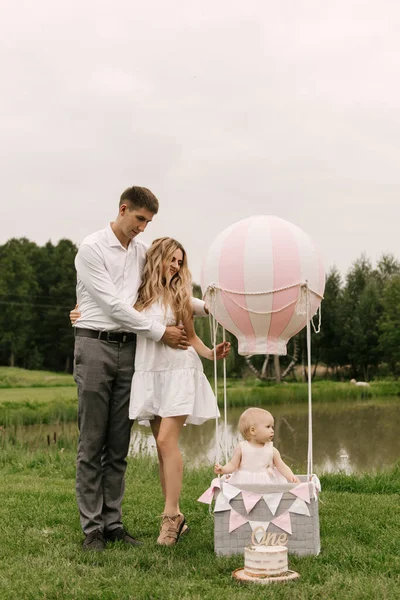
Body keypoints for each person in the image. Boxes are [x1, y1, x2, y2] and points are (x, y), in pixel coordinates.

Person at [73, 186, 209, 552]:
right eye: (139, 219)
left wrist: (209, 304)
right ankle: (93, 530)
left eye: (148, 222)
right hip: (95, 345)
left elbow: (168, 288)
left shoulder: (141, 253)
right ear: (123, 209)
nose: (143, 228)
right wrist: (161, 332)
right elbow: (115, 305)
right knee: (92, 443)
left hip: (131, 352)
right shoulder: (91, 249)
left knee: (118, 445)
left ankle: (113, 524)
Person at [129, 237, 230, 546]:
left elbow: (192, 337)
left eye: (180, 261)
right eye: (171, 259)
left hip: (179, 373)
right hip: (151, 375)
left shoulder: (181, 295)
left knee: (165, 441)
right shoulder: (139, 295)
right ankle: (175, 517)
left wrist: (211, 353)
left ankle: (171, 517)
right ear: (157, 258)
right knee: (161, 449)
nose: (175, 266)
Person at [214, 407, 299, 485]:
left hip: (265, 484)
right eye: (268, 427)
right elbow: (232, 465)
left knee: (266, 499)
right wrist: (223, 469)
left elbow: (281, 466)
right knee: (242, 499)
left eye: (272, 427)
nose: (272, 430)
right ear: (253, 430)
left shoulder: (272, 450)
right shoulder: (241, 448)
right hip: (243, 483)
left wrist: (291, 477)